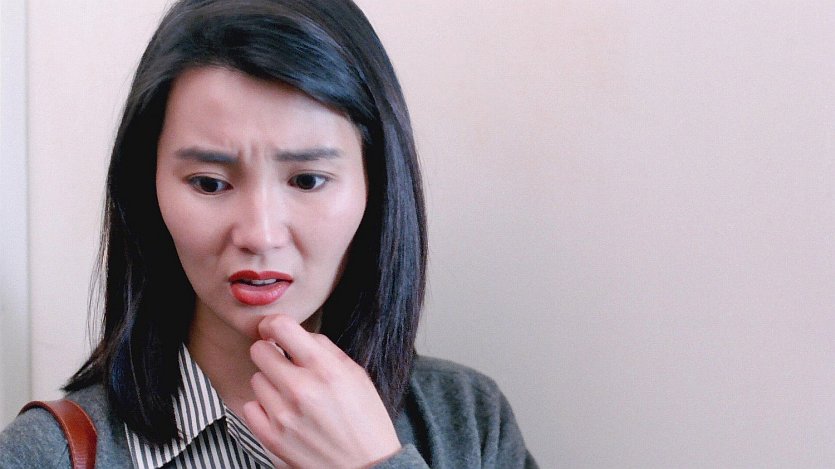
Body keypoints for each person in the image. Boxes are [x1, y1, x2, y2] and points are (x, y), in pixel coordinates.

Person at [0, 1, 538, 467]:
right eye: (209, 183)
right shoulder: (46, 454)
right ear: (149, 189)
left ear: (376, 185)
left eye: (307, 180)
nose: (260, 235)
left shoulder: (469, 422)